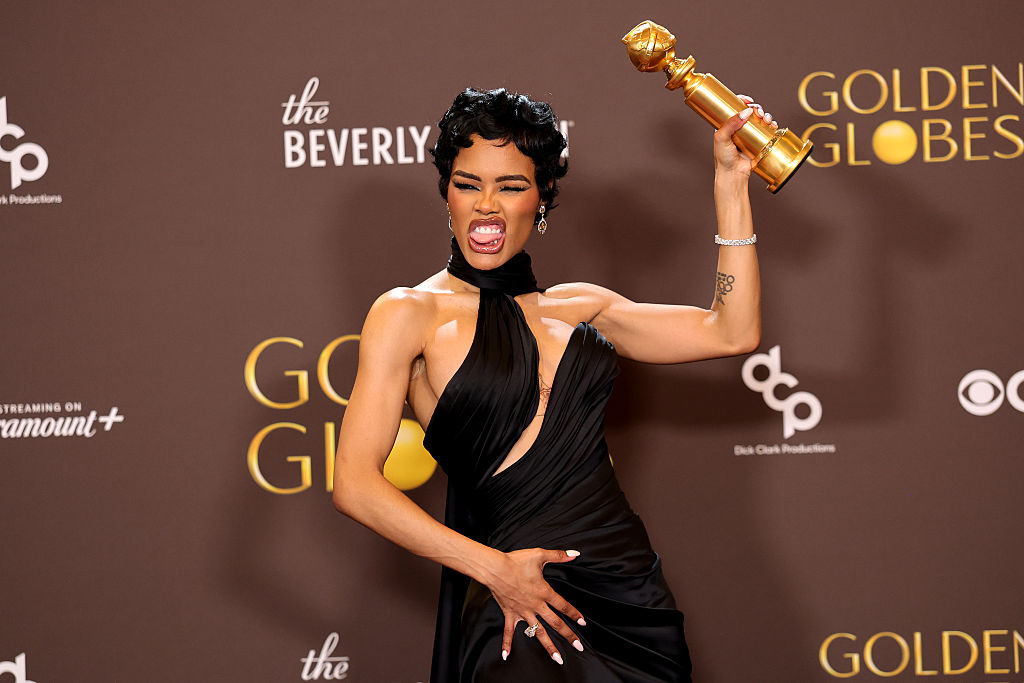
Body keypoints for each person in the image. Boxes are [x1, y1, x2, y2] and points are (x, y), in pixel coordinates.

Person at [332, 87, 774, 682]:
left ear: (540, 200)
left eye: (511, 186)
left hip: (627, 588)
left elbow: (732, 331)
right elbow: (355, 485)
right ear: (447, 194)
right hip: (515, 596)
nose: (486, 205)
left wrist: (731, 183)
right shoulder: (409, 313)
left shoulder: (581, 307)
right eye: (467, 184)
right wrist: (494, 570)